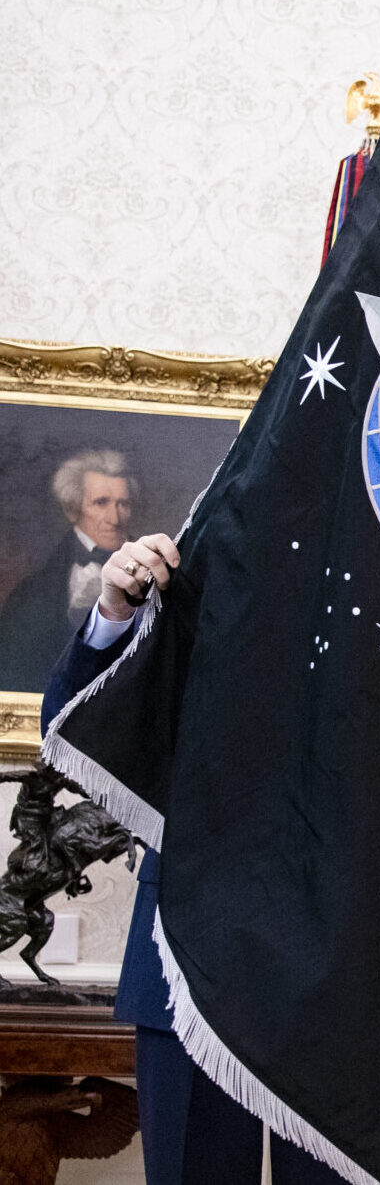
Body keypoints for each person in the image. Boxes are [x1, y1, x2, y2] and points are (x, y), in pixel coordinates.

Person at [42, 532, 339, 1184]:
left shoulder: (377, 600)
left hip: (336, 977)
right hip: (184, 957)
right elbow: (70, 721)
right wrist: (116, 612)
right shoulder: (193, 570)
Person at [0, 450, 138, 689]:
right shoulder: (31, 594)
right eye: (101, 502)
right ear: (72, 509)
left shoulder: (156, 578)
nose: (115, 518)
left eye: (122, 504)